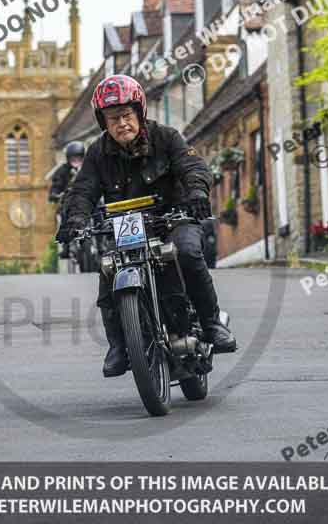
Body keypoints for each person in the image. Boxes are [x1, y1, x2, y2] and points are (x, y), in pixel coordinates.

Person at [64, 74, 236, 377]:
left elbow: (192, 166)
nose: (121, 124)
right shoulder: (97, 153)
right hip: (129, 224)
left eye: (126, 115)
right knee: (109, 266)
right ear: (103, 122)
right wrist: (75, 219)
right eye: (113, 118)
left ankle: (211, 324)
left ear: (139, 112)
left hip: (174, 217)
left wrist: (196, 194)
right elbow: (83, 190)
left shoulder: (166, 137)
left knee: (186, 252)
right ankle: (118, 345)